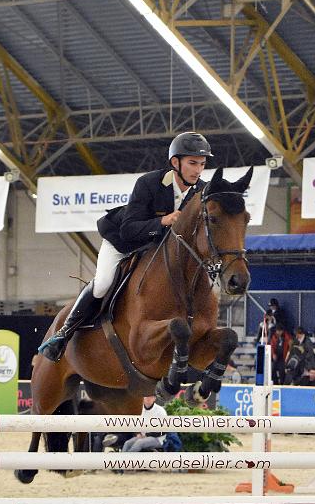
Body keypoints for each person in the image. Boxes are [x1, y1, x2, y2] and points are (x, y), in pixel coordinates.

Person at [39, 132, 213, 362]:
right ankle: (64, 334)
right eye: (192, 163)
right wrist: (163, 221)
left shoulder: (201, 191)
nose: (197, 170)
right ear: (175, 162)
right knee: (102, 284)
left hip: (157, 251)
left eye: (202, 164)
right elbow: (129, 229)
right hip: (124, 241)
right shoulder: (150, 183)